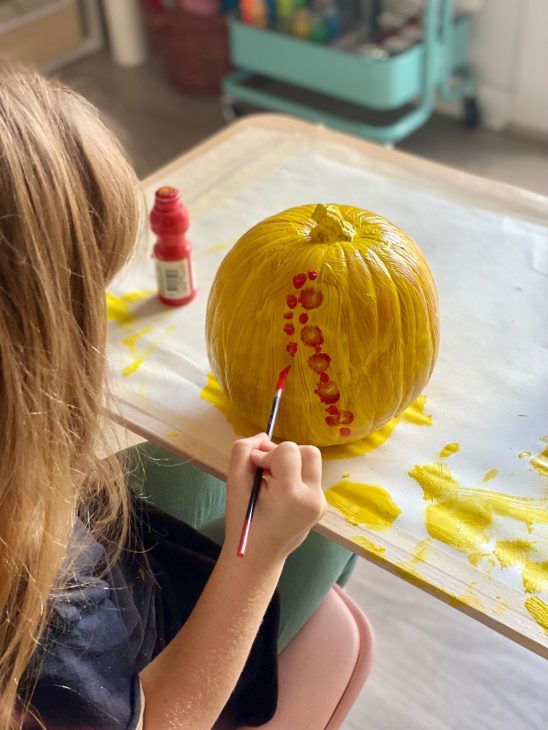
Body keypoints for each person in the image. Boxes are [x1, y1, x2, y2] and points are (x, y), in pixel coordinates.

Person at [0, 64, 355, 730]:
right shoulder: (35, 640)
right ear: (32, 354)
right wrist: (261, 556)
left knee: (204, 472)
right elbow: (160, 719)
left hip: (106, 569)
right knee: (332, 533)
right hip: (155, 680)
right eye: (87, 299)